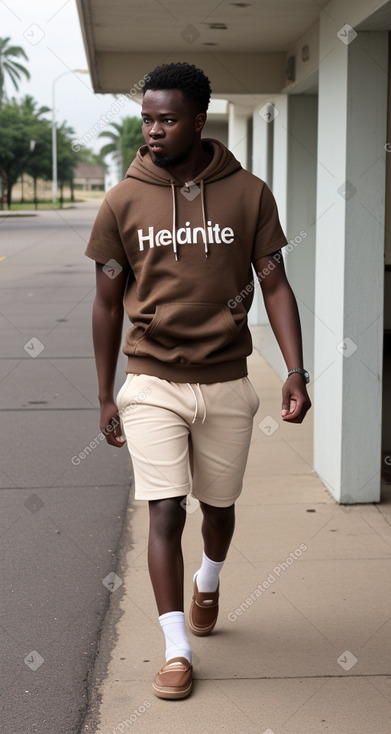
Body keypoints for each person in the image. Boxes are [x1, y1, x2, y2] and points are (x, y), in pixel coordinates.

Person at [85, 62, 311, 700]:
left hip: (227, 381)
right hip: (151, 379)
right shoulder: (124, 199)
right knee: (165, 510)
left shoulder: (249, 193)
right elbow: (105, 302)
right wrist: (106, 393)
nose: (153, 130)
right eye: (146, 119)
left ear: (198, 120)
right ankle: (176, 648)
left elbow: (274, 282)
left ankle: (209, 578)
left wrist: (294, 370)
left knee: (218, 508)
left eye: (167, 118)